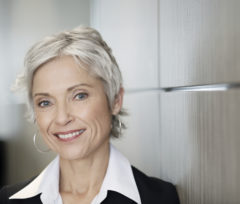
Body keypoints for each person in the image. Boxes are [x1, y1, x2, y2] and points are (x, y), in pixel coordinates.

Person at [0, 26, 180, 204]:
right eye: (45, 102)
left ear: (115, 100)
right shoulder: (8, 200)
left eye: (79, 96)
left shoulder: (159, 198)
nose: (62, 118)